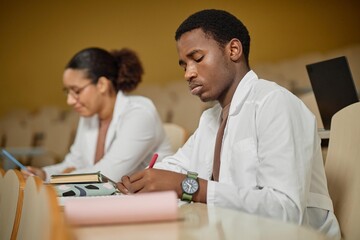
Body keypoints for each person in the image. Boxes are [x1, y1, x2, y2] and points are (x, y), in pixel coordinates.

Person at [118, 9, 341, 239]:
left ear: (233, 50)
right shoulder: (210, 119)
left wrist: (188, 187)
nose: (188, 74)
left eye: (197, 58)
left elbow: (285, 211)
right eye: (184, 65)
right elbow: (176, 168)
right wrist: (142, 180)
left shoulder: (274, 103)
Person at [22, 47, 173, 182]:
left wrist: (55, 178)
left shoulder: (140, 113)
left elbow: (108, 174)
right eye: (67, 92)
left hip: (149, 204)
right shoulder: (90, 116)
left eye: (76, 91)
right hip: (111, 200)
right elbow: (74, 162)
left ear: (101, 84)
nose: (69, 100)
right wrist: (42, 174)